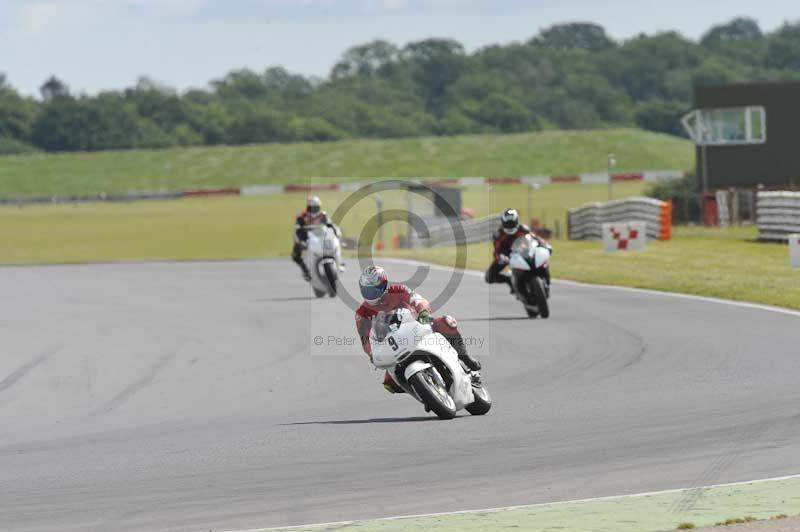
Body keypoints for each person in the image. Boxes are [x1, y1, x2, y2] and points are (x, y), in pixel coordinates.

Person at [355, 266, 481, 394]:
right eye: (367, 291)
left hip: (416, 327)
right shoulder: (362, 313)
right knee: (390, 383)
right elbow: (364, 338)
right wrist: (372, 354)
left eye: (374, 290)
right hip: (394, 345)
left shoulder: (398, 290)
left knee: (446, 322)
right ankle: (425, 392)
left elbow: (417, 299)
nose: (371, 295)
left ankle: (465, 358)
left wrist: (423, 312)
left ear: (384, 285)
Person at [485, 208, 550, 291]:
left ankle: (546, 282)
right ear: (503, 222)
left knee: (543, 262)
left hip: (524, 252)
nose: (510, 226)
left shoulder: (523, 229)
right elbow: (497, 251)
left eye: (512, 223)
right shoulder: (499, 235)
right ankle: (509, 280)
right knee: (489, 277)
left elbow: (535, 238)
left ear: (516, 221)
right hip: (507, 256)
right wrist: (500, 258)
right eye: (507, 223)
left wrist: (544, 244)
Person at [291, 195, 333, 281]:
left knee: (333, 242)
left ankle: (338, 262)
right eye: (312, 207)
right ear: (308, 207)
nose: (314, 210)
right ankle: (305, 270)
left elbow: (330, 226)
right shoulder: (302, 216)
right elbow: (296, 231)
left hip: (319, 235)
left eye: (316, 207)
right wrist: (300, 242)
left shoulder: (322, 214)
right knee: (295, 255)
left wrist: (335, 234)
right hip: (306, 236)